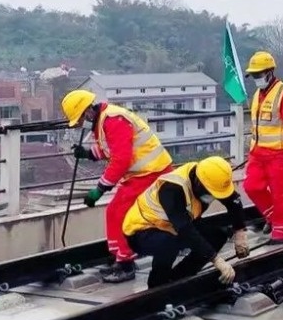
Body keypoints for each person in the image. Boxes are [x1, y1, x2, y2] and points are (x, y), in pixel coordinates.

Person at [61, 89, 173, 283]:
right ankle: (118, 258)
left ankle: (126, 264)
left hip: (152, 172)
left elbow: (120, 159)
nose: (80, 123)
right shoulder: (104, 120)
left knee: (121, 212)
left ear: (88, 111)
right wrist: (87, 154)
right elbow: (109, 149)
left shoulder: (113, 120)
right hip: (140, 173)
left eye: (80, 118)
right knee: (113, 211)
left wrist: (99, 190)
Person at [122, 156, 249, 288]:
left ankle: (178, 279)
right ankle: (156, 286)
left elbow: (233, 201)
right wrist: (216, 259)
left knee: (217, 236)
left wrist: (240, 231)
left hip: (172, 226)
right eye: (211, 193)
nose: (213, 197)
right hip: (142, 231)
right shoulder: (173, 188)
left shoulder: (209, 175)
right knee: (169, 242)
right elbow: (184, 229)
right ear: (199, 183)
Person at [242, 51, 283, 244]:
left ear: (270, 72)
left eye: (259, 75)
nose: (257, 79)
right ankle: (274, 218)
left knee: (280, 193)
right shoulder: (258, 94)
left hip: (279, 154)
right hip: (257, 153)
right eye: (254, 76)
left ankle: (281, 232)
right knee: (251, 187)